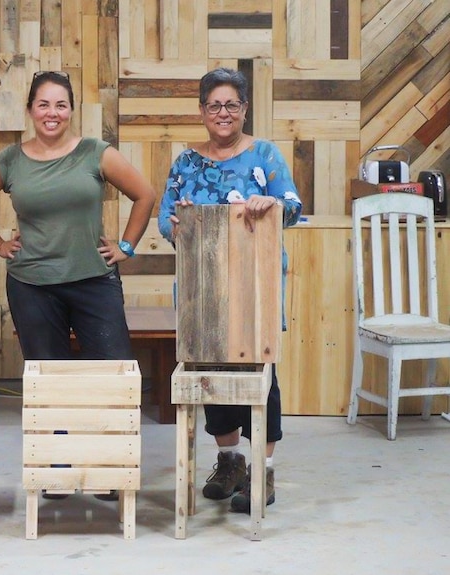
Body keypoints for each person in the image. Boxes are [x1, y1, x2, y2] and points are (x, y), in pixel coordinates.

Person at [0, 70, 155, 500]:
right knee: (48, 379)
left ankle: (107, 471)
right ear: (30, 110)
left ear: (70, 111)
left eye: (60, 104)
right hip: (33, 285)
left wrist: (125, 245)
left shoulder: (94, 153)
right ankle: (56, 468)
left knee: (110, 375)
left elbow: (145, 193)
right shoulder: (11, 160)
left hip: (94, 282)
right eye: (43, 104)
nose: (52, 113)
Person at [158, 67, 302, 513]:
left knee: (261, 379)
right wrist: (177, 223)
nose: (223, 113)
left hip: (254, 289)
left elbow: (294, 208)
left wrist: (272, 203)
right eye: (214, 105)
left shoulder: (265, 155)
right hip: (203, 291)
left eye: (232, 105)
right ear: (202, 111)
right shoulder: (185, 162)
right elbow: (165, 220)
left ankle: (263, 468)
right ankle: (230, 461)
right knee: (210, 377)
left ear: (244, 109)